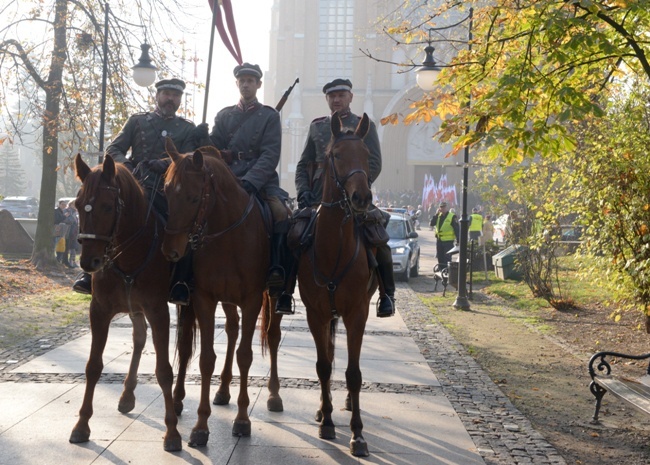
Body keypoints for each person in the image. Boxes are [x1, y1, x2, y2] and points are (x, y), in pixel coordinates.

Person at [73, 78, 201, 302]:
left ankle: (180, 281)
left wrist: (167, 164)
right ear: (157, 96)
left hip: (166, 189)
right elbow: (115, 149)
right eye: (166, 94)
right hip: (133, 184)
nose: (171, 99)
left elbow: (188, 160)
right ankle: (89, 274)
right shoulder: (137, 122)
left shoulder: (187, 129)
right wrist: (128, 166)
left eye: (175, 95)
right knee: (103, 213)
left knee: (182, 224)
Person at [288, 78, 395, 318]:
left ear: (350, 97)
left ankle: (387, 295)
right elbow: (303, 163)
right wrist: (303, 190)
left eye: (341, 95)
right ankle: (285, 290)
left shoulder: (363, 125)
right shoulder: (317, 127)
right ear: (327, 99)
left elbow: (374, 163)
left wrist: (357, 189)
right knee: (294, 236)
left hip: (355, 199)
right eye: (332, 96)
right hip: (319, 199)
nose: (337, 99)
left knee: (379, 237)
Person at [193, 62, 291, 304]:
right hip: (226, 178)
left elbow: (270, 154)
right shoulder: (224, 115)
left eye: (251, 80)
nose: (246, 84)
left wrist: (251, 181)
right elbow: (211, 151)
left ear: (258, 84)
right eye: (242, 80)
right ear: (237, 83)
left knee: (281, 214)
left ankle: (277, 269)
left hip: (259, 180)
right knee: (194, 211)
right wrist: (202, 137)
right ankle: (188, 274)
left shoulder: (269, 116)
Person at [430, 201, 459, 271]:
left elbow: (457, 229)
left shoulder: (452, 216)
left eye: (444, 207)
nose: (442, 209)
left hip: (448, 241)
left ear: (447, 208)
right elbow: (432, 223)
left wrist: (458, 240)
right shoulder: (438, 216)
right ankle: (441, 269)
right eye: (441, 207)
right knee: (440, 256)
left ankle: (447, 270)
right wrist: (436, 215)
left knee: (447, 257)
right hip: (439, 240)